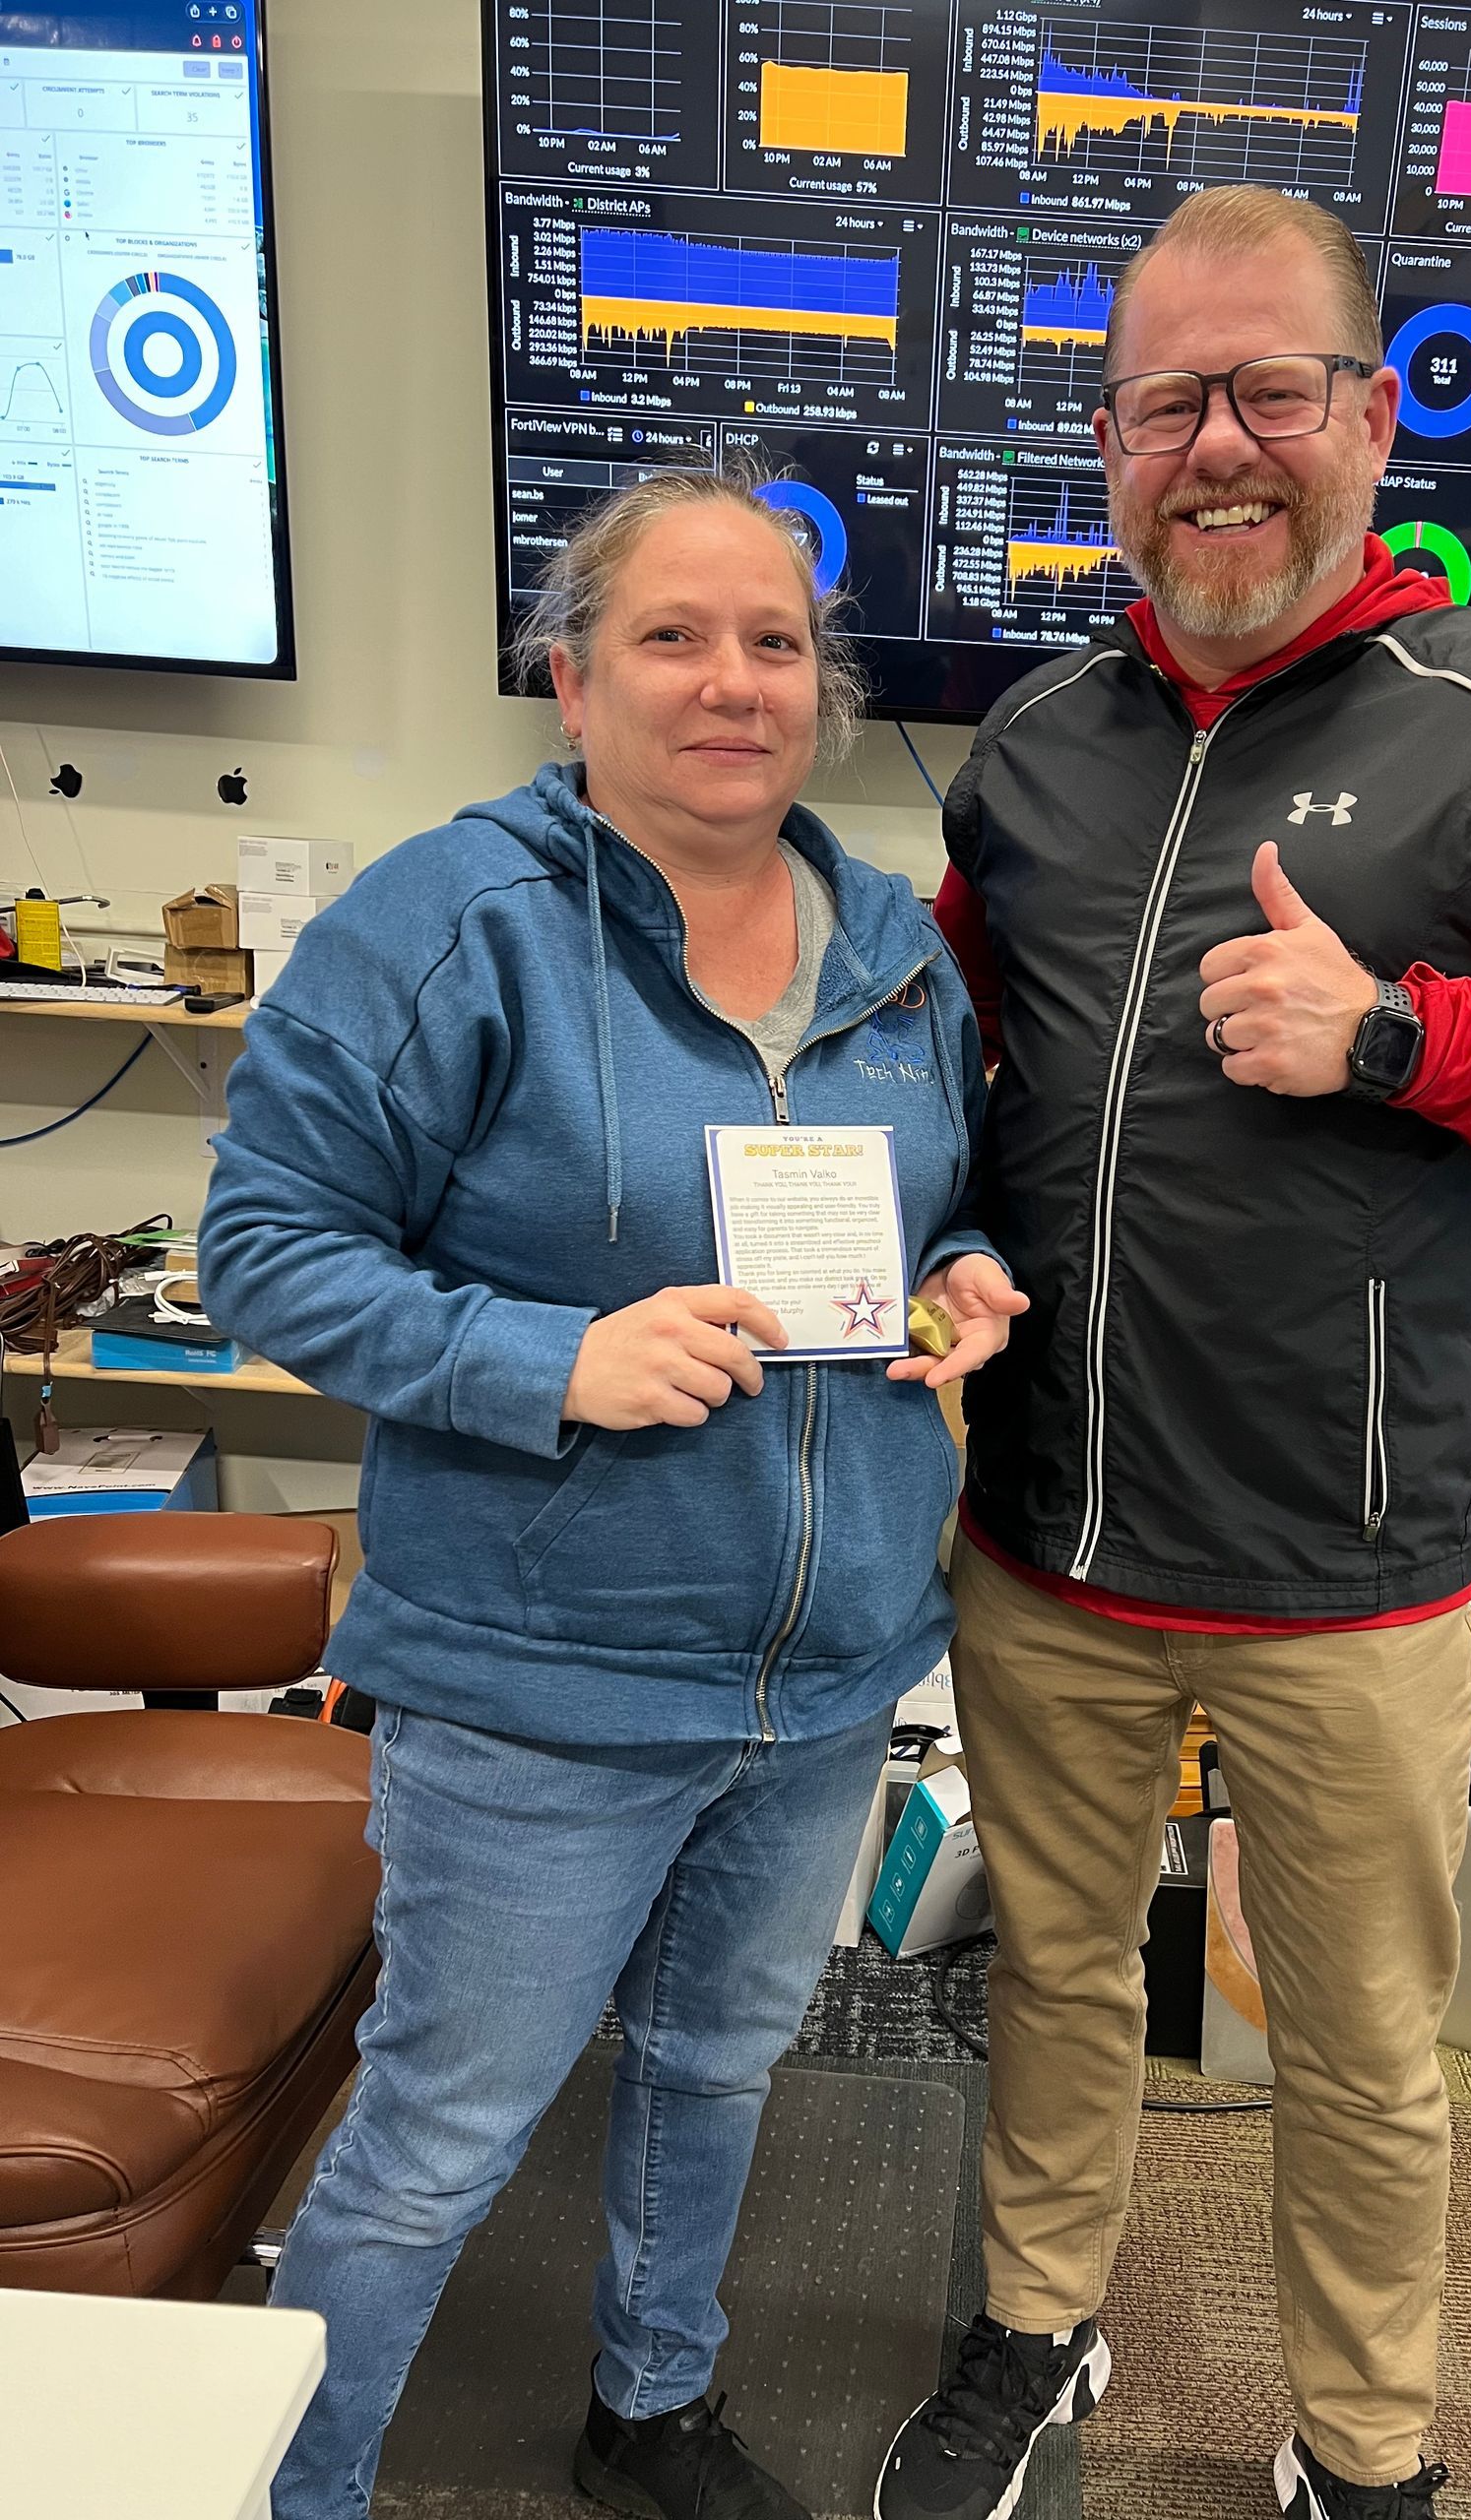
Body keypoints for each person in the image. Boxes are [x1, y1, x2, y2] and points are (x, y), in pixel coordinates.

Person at [873, 187, 1471, 2520]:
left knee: (1367, 2044)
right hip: (1047, 1528)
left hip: (1347, 1558)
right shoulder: (1038, 743)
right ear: (1108, 446)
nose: (1221, 446)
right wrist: (956, 1247)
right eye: (1168, 400)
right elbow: (967, 1085)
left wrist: (1394, 1036)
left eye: (1274, 389)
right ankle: (1036, 2322)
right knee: (1060, 1975)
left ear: (1374, 419)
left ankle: (1363, 2446)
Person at [198, 464, 1024, 2520]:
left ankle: (650, 2401)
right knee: (447, 2132)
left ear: (821, 688)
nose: (729, 681)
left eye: (772, 642)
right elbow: (270, 1248)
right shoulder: (446, 921)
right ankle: (303, 2484)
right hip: (537, 1681)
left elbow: (961, 1198)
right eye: (672, 636)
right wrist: (547, 1356)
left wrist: (969, 1273)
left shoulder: (900, 955)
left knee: (718, 2066)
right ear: (571, 679)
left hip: (822, 1675)